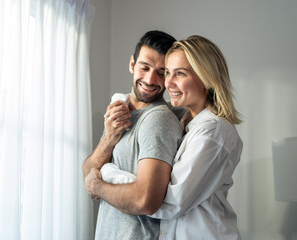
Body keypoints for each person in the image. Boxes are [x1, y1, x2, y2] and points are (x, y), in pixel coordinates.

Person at [86, 35, 243, 239]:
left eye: (179, 74)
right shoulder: (184, 120)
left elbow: (163, 201)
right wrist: (119, 103)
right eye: (168, 73)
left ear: (207, 79)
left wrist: (105, 176)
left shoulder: (212, 132)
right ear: (132, 64)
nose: (168, 82)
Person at [82, 31, 183, 239]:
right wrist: (109, 138)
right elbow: (87, 171)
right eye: (144, 67)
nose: (150, 79)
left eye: (161, 72)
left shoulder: (158, 120)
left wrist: (98, 187)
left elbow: (146, 200)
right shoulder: (119, 111)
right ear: (132, 64)